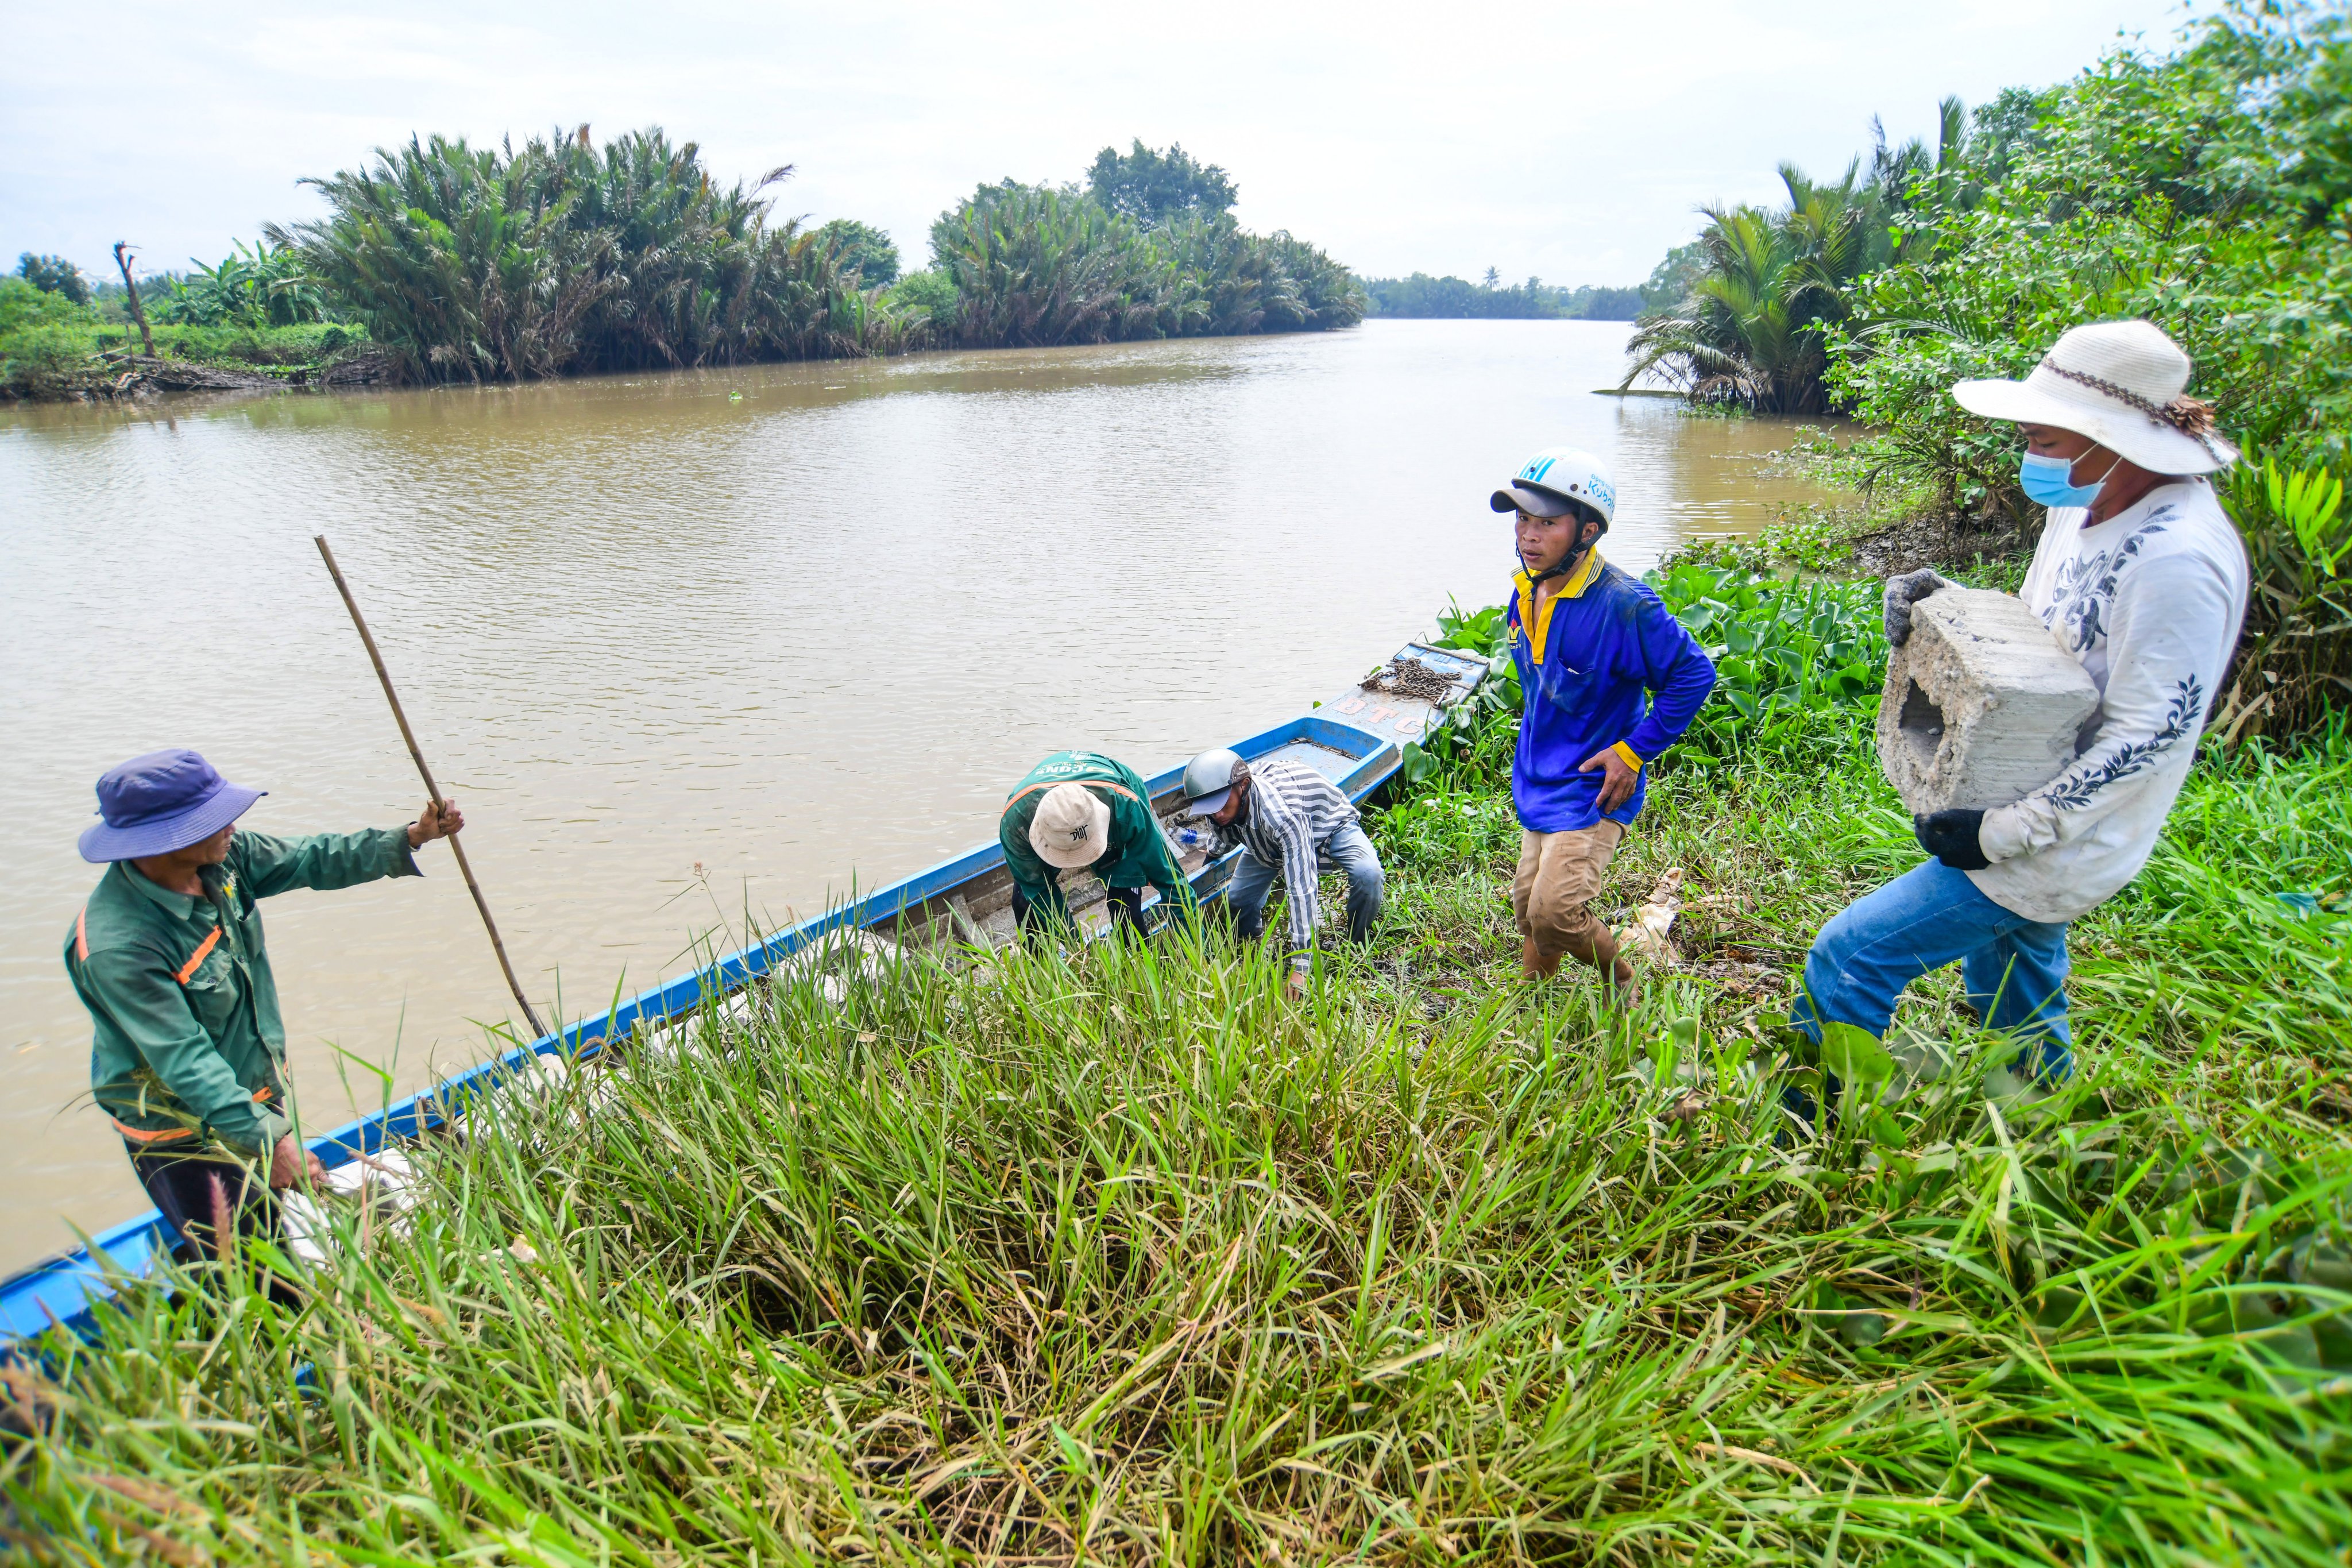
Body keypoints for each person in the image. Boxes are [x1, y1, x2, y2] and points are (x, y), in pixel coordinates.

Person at [1794, 319, 2249, 1085]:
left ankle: (1816, 1118)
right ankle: (2042, 1119)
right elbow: (2045, 632)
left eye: (2045, 439)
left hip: (2053, 834)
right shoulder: (2082, 503)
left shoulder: (2177, 559)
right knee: (2011, 984)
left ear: (2113, 438)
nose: (2030, 457)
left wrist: (2000, 834)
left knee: (1850, 954)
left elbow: (2148, 738)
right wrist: (1948, 606)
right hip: (2007, 804)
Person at [64, 748, 464, 1264]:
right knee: (252, 1269)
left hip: (249, 1094)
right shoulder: (122, 946)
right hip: (185, 1131)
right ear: (167, 838)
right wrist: (270, 1141)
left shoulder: (223, 860)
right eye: (213, 819)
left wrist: (412, 836)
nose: (232, 823)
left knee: (269, 1225)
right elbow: (184, 1060)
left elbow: (311, 857)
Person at [1493, 447, 1717, 997]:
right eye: (1523, 519)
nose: (1528, 534)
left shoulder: (1625, 605)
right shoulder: (1526, 591)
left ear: (1587, 531)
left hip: (1595, 785)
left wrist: (1632, 751)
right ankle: (1532, 1004)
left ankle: (1622, 978)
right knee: (1528, 908)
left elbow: (1694, 676)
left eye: (1547, 523)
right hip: (1539, 778)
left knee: (1555, 911)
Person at [1179, 748, 1384, 999]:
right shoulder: (1218, 812)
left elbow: (1302, 888)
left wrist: (1301, 967)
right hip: (1267, 845)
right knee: (1237, 901)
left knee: (1368, 874)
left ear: (1243, 786)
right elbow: (1219, 843)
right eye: (1209, 809)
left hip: (1329, 825)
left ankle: (1357, 941)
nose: (1217, 814)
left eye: (1221, 806)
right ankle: (1251, 940)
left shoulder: (1281, 815)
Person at [998, 751, 1195, 938]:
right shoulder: (1015, 824)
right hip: (1040, 821)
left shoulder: (1126, 807)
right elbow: (1038, 889)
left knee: (1123, 892)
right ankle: (1039, 964)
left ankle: (1135, 955)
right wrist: (1075, 945)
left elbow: (1172, 882)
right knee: (1026, 901)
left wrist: (1199, 948)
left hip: (1113, 798)